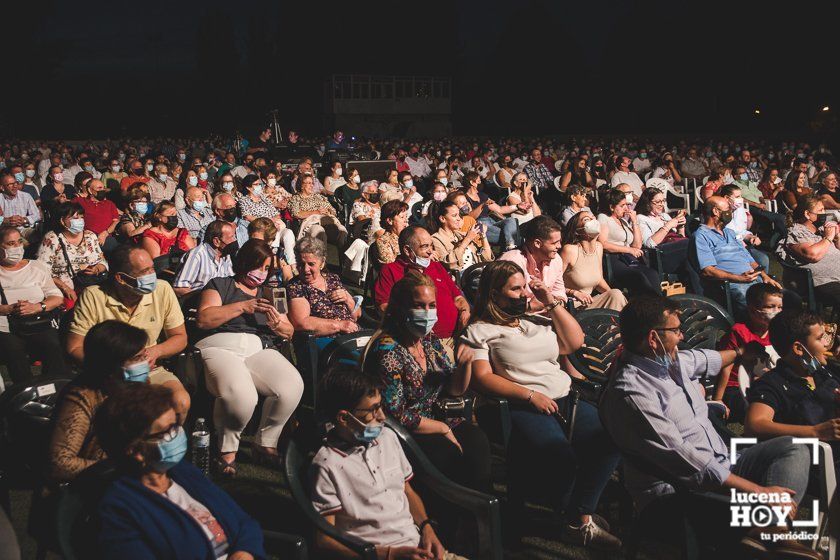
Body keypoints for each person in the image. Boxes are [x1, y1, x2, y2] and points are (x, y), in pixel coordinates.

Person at [600, 295, 817, 558]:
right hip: (679, 494)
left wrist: (739, 352)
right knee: (770, 503)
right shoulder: (633, 394)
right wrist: (760, 492)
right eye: (676, 330)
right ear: (653, 339)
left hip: (722, 463)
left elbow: (706, 359)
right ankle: (766, 536)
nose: (681, 337)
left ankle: (771, 530)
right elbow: (687, 462)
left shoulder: (669, 360)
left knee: (792, 448)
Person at [462, 261, 622, 550]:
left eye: (524, 286)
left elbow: (575, 342)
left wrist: (551, 303)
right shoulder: (480, 330)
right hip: (521, 404)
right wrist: (529, 395)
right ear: (494, 294)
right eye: (515, 288)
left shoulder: (533, 320)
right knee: (560, 457)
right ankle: (578, 517)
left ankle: (577, 516)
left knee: (610, 440)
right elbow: (483, 378)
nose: (524, 293)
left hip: (565, 396)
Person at [94, 383, 266, 559]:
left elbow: (244, 522)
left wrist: (244, 552)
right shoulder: (120, 510)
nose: (177, 434)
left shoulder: (183, 472)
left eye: (175, 425)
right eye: (167, 431)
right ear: (136, 451)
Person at [312, 366, 464, 560]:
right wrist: (388, 554)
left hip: (420, 549)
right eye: (373, 410)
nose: (382, 417)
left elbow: (406, 491)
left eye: (380, 406)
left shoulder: (387, 438)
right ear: (343, 418)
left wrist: (427, 528)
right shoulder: (327, 464)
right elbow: (324, 541)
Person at [362, 272, 491, 492]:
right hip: (406, 431)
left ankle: (479, 512)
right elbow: (394, 412)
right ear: (401, 308)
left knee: (477, 442)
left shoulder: (427, 340)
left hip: (439, 417)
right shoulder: (388, 351)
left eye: (432, 305)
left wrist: (464, 365)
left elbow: (454, 389)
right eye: (419, 306)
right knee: (451, 458)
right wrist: (441, 428)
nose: (428, 312)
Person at [195, 239, 302, 475]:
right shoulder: (220, 284)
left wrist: (277, 325)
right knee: (242, 395)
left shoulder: (274, 293)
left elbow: (289, 331)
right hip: (220, 346)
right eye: (258, 266)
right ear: (244, 263)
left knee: (291, 386)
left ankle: (265, 442)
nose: (262, 274)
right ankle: (227, 450)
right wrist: (243, 307)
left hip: (258, 348)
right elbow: (204, 319)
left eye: (267, 269)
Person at [67, 245, 191, 421]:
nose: (152, 276)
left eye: (152, 269)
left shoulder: (162, 289)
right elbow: (74, 347)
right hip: (108, 374)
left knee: (181, 401)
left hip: (149, 369)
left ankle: (165, 443)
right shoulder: (94, 296)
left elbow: (180, 337)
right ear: (121, 278)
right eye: (144, 272)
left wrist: (156, 351)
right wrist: (112, 368)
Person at [47, 321, 150, 483]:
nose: (145, 362)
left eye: (144, 355)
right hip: (91, 489)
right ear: (111, 365)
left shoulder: (136, 386)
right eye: (137, 358)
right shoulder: (82, 397)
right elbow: (60, 463)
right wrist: (120, 469)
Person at [745, 310, 840, 476]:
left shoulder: (823, 372)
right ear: (798, 348)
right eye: (819, 338)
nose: (826, 344)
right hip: (817, 464)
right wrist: (815, 432)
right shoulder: (774, 383)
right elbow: (755, 424)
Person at [376, 226, 470, 359]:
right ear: (407, 250)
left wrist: (465, 312)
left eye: (431, 246)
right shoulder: (390, 270)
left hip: (458, 335)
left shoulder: (436, 266)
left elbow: (458, 297)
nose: (430, 251)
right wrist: (414, 324)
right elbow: (383, 306)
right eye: (424, 246)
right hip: (424, 342)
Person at [694, 196, 783, 316]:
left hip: (753, 279)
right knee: (764, 309)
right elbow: (707, 271)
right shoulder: (701, 236)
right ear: (715, 211)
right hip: (732, 284)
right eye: (728, 209)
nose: (731, 212)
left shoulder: (729, 232)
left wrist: (764, 276)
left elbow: (748, 257)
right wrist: (739, 278)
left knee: (788, 298)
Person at [0, 226, 67, 384]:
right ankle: (24, 394)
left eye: (19, 242)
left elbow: (56, 297)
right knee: (14, 352)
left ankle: (56, 389)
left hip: (38, 320)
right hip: (6, 325)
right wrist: (10, 309)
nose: (17, 247)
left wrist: (38, 306)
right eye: (10, 244)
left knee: (53, 346)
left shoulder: (37, 266)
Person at [713, 283, 783, 424]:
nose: (777, 311)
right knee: (754, 411)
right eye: (770, 307)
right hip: (735, 386)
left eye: (780, 307)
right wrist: (718, 400)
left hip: (765, 383)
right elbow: (725, 367)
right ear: (753, 310)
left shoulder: (777, 331)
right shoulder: (740, 332)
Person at [287, 236, 360, 338]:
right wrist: (339, 325)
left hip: (353, 333)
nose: (305, 269)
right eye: (301, 264)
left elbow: (356, 316)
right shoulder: (296, 286)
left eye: (311, 264)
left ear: (322, 263)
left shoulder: (333, 279)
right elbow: (301, 322)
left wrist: (349, 300)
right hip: (328, 341)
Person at [37, 201, 108, 305]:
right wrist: (66, 288)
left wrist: (97, 269)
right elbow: (42, 270)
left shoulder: (90, 236)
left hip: (92, 283)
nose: (79, 221)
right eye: (75, 218)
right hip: (66, 287)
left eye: (81, 217)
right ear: (62, 220)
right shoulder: (52, 239)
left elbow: (102, 261)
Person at [776, 193, 840, 308]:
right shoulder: (796, 232)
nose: (824, 213)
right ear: (807, 214)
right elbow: (812, 255)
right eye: (820, 210)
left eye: (824, 209)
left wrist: (837, 237)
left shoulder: (821, 229)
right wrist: (828, 238)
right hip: (823, 282)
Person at [597, 189, 661, 296]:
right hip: (613, 259)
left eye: (626, 204)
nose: (626, 208)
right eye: (622, 206)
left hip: (628, 259)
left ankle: (658, 304)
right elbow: (603, 244)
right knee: (638, 278)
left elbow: (637, 245)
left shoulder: (623, 221)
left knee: (652, 274)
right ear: (611, 207)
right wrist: (629, 249)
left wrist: (635, 222)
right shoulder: (603, 218)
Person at [560, 212, 627, 311]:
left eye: (593, 218)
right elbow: (553, 284)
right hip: (572, 305)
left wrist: (613, 295)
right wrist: (573, 292)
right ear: (577, 231)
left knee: (617, 295)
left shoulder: (598, 247)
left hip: (589, 303)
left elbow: (599, 280)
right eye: (587, 219)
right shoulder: (570, 250)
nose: (593, 221)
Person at [634, 186, 692, 283]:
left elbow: (679, 238)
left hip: (677, 251)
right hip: (660, 256)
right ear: (647, 203)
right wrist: (667, 226)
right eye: (657, 202)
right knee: (690, 243)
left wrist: (680, 227)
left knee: (692, 261)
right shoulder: (641, 218)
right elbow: (649, 244)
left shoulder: (664, 216)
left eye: (663, 201)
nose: (661, 204)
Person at [172, 220, 236, 297]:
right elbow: (179, 288)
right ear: (216, 241)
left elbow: (230, 280)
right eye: (231, 237)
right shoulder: (196, 255)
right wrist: (204, 298)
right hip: (198, 303)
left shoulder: (225, 255)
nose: (234, 240)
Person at [462, 171, 521, 250]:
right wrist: (482, 205)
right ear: (472, 182)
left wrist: (517, 206)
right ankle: (512, 247)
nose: (481, 183)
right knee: (513, 235)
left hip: (491, 221)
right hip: (480, 225)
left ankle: (510, 247)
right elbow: (470, 216)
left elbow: (500, 209)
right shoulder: (465, 198)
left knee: (511, 220)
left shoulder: (482, 195)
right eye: (479, 181)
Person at [431, 199, 492, 273]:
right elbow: (449, 264)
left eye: (459, 214)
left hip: (479, 271)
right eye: (454, 215)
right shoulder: (436, 239)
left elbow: (487, 259)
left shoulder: (461, 235)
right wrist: (467, 240)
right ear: (442, 219)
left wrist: (483, 236)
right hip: (464, 278)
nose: (459, 219)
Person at [290, 174, 347, 248]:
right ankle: (322, 258)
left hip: (327, 221)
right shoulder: (296, 198)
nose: (312, 185)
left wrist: (328, 212)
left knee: (342, 230)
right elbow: (296, 213)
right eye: (309, 183)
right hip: (310, 224)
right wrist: (315, 212)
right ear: (301, 185)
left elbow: (333, 210)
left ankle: (342, 257)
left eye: (312, 183)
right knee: (319, 231)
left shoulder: (319, 196)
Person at [72, 178, 120, 252]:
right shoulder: (80, 201)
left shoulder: (109, 203)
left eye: (103, 188)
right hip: (86, 238)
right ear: (90, 190)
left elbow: (116, 221)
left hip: (107, 237)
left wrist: (105, 233)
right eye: (99, 188)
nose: (103, 190)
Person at [0, 170, 40, 241]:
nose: (15, 186)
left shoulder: (26, 196)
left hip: (23, 229)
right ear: (2, 187)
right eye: (11, 184)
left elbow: (37, 215)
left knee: (37, 236)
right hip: (4, 231)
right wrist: (5, 220)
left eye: (15, 183)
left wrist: (24, 220)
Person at [374, 199, 409, 265]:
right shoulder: (383, 241)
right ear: (390, 221)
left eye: (406, 217)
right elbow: (391, 267)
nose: (406, 220)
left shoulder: (409, 238)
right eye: (402, 217)